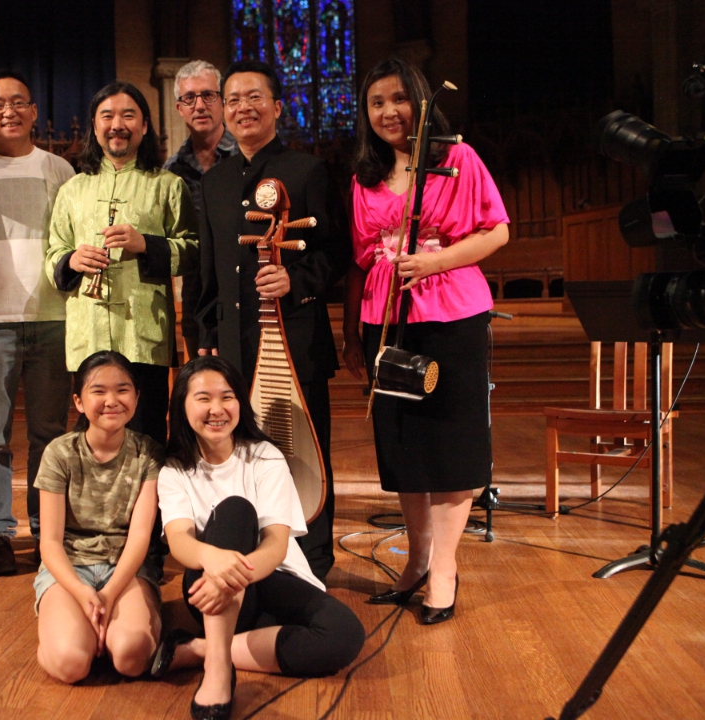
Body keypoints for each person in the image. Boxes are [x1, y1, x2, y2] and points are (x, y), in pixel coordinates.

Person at [342, 57, 509, 624]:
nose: (389, 112)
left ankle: (444, 570)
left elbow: (497, 229)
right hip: (386, 315)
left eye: (399, 99)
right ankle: (415, 560)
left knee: (450, 441)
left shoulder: (456, 159)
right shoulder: (365, 177)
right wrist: (353, 332)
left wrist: (437, 258)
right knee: (404, 442)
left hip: (452, 310)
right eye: (376, 103)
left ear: (421, 101)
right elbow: (365, 258)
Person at [195, 60, 348, 581]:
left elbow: (335, 253)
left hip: (295, 341)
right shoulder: (213, 181)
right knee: (245, 454)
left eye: (254, 97)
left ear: (278, 107)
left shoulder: (307, 171)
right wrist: (206, 339)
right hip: (235, 348)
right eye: (232, 99)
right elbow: (209, 272)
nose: (242, 108)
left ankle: (317, 559)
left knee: (305, 450)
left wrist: (296, 282)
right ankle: (261, 556)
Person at [153, 356, 363, 719]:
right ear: (182, 405)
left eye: (227, 397)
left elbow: (276, 545)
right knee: (235, 511)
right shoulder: (174, 469)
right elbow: (180, 541)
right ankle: (218, 672)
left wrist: (231, 575)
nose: (216, 409)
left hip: (266, 577)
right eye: (203, 398)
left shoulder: (265, 457)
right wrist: (215, 561)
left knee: (344, 636)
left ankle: (199, 649)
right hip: (207, 586)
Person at [0, 70, 76, 574]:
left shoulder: (59, 169)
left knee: (50, 432)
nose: (9, 111)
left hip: (51, 317)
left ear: (33, 113)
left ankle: (48, 529)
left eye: (19, 102)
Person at [46, 81, 198, 445]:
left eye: (128, 115)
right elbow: (53, 254)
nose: (118, 124)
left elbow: (192, 250)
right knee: (92, 438)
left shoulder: (167, 185)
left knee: (146, 435)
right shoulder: (72, 190)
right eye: (107, 116)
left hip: (143, 333)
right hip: (88, 334)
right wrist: (72, 259)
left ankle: (148, 504)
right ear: (95, 127)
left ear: (144, 126)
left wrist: (145, 244)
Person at [33, 351, 163, 684]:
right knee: (70, 663)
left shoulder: (148, 453)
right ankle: (67, 634)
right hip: (70, 567)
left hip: (127, 568)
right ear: (78, 401)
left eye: (122, 390)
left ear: (136, 397)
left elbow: (139, 537)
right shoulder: (59, 453)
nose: (112, 400)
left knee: (132, 656)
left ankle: (103, 630)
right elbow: (49, 541)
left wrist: (107, 594)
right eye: (98, 391)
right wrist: (80, 592)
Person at [163, 60, 237, 359]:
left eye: (208, 95)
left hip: (244, 288)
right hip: (196, 296)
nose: (200, 106)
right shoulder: (172, 171)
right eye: (189, 98)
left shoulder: (245, 156)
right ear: (179, 109)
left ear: (222, 101)